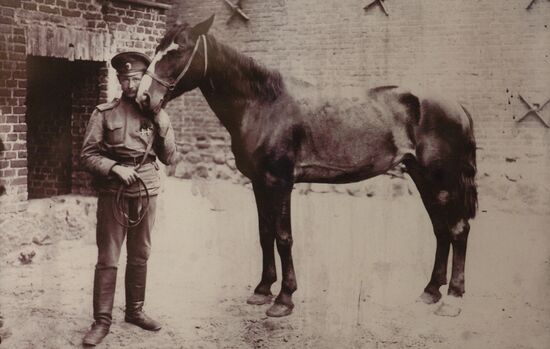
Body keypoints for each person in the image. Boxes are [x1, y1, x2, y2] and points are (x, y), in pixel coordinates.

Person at [80, 51, 178, 346]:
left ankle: (135, 311)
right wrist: (114, 168)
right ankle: (101, 321)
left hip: (147, 191)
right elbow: (87, 154)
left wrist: (161, 120)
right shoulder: (104, 113)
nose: (131, 83)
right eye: (125, 78)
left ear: (143, 78)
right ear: (119, 80)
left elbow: (170, 157)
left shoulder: (156, 113)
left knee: (141, 254)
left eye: (136, 77)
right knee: (108, 257)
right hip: (114, 192)